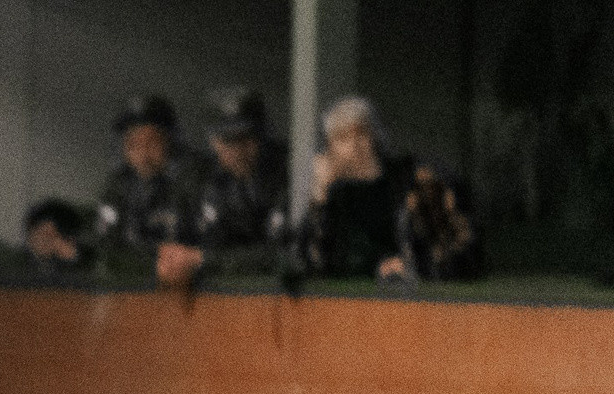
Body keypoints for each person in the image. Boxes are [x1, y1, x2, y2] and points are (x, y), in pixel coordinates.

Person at [298, 96, 480, 282]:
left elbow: (461, 254)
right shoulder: (333, 199)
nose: (354, 146)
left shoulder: (417, 182)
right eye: (342, 138)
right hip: (350, 304)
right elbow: (312, 265)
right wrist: (319, 196)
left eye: (361, 134)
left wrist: (413, 265)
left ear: (375, 138)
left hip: (412, 301)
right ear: (329, 150)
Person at [162, 88, 289, 285]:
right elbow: (177, 245)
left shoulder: (286, 172)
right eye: (228, 140)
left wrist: (205, 260)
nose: (238, 151)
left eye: (246, 138)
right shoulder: (199, 177)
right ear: (214, 142)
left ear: (262, 137)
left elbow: (282, 254)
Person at [93, 93, 202, 284]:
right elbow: (106, 248)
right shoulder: (117, 186)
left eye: (152, 141)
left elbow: (207, 246)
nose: (143, 152)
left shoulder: (190, 182)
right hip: (130, 288)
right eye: (133, 143)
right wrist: (152, 257)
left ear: (170, 142)